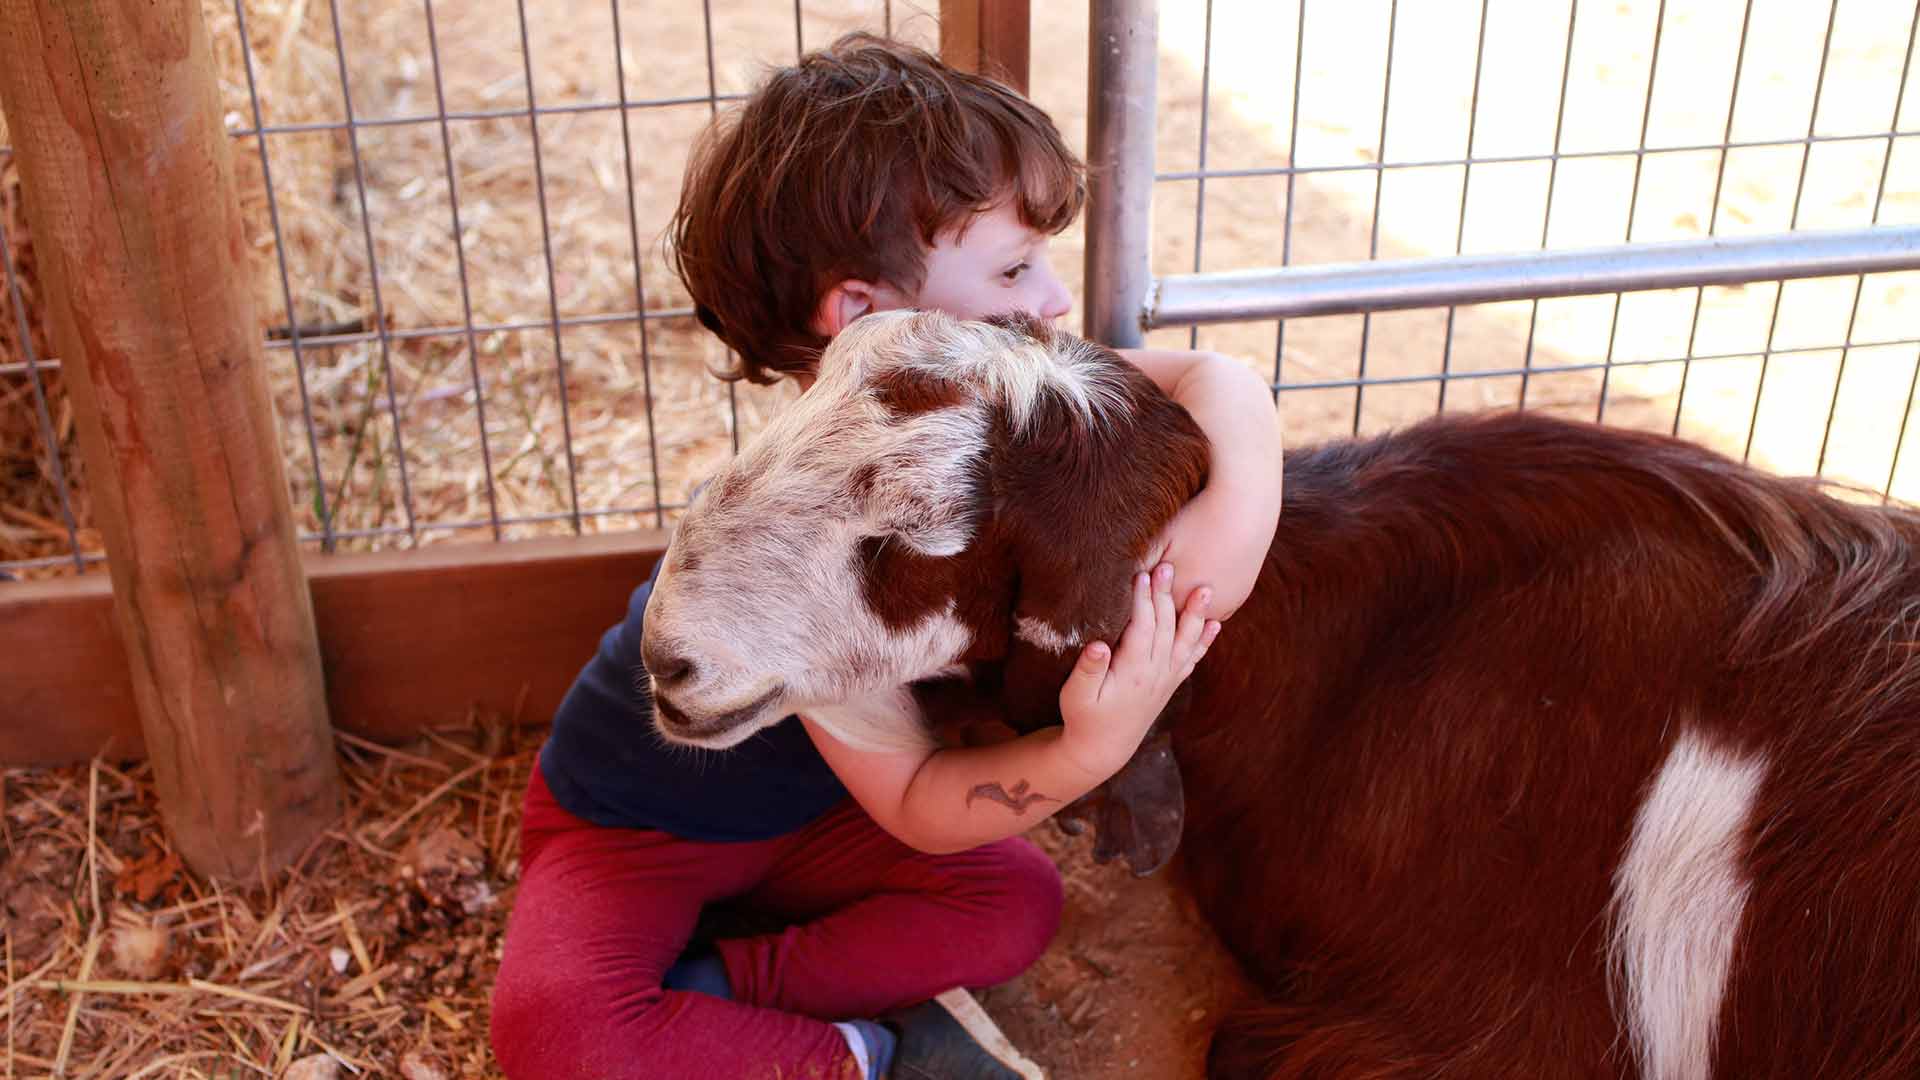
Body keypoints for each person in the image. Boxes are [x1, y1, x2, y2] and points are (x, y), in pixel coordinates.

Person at [489, 32, 1284, 1080]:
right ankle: (858, 1054)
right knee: (554, 1032)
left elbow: (1206, 379)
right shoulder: (803, 547)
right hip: (639, 831)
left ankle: (723, 992)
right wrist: (1088, 754)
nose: (1051, 300)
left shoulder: (980, 388)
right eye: (1012, 267)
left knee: (1012, 905)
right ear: (869, 315)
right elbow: (912, 799)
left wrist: (1234, 511)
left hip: (819, 832)